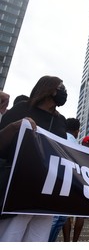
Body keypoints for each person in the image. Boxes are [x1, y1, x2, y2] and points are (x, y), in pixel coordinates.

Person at [0, 75, 68, 241]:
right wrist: (15, 127)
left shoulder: (60, 121)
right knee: (10, 238)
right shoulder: (22, 109)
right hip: (18, 190)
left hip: (46, 196)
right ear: (48, 88)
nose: (64, 92)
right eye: (60, 87)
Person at [48, 118, 81, 242]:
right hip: (64, 184)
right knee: (58, 218)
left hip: (53, 181)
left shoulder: (57, 137)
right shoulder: (74, 143)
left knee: (58, 218)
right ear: (77, 131)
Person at [62, 135, 89, 242]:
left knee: (66, 215)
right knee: (81, 215)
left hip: (72, 183)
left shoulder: (75, 150)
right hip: (85, 187)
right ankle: (75, 241)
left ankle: (67, 241)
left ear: (82, 143)